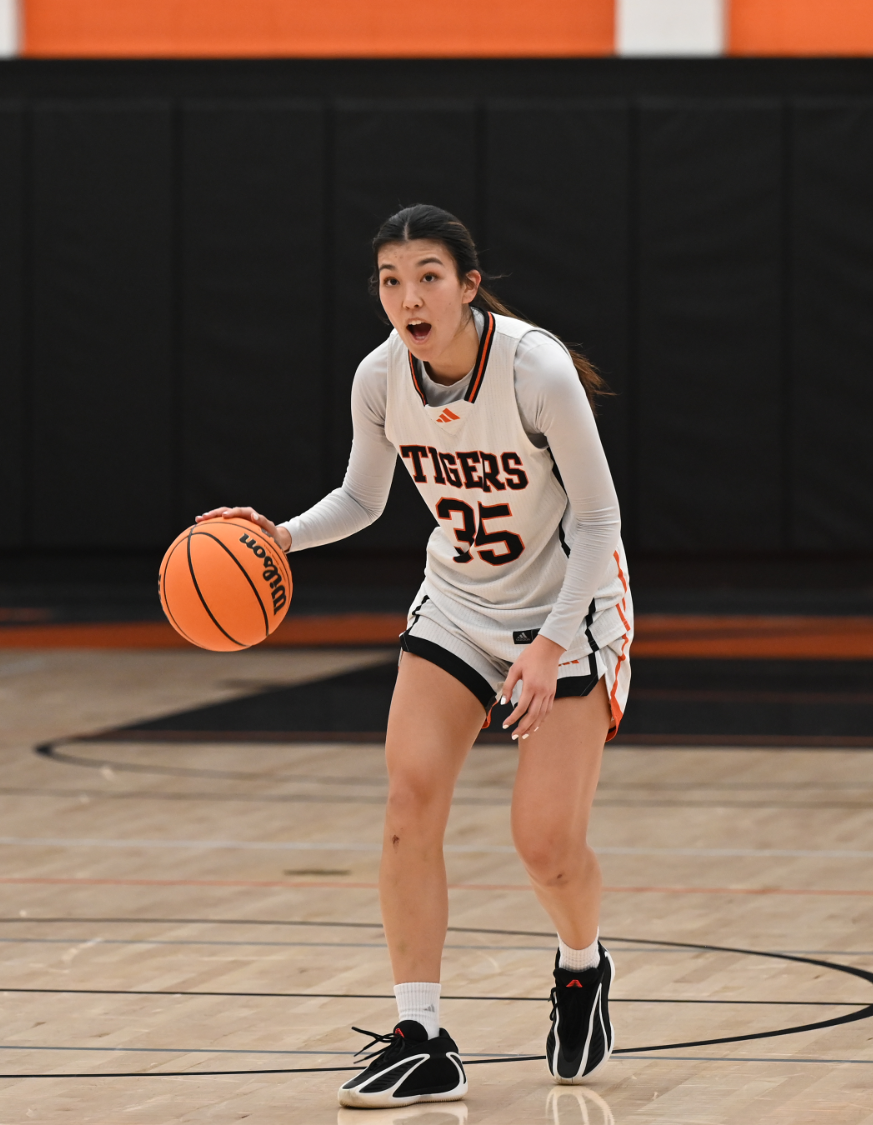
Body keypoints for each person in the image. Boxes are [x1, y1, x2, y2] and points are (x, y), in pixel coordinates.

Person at [200, 204, 632, 1108]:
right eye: (391, 281)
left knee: (546, 846)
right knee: (408, 800)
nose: (408, 298)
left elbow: (599, 520)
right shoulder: (379, 377)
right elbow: (362, 498)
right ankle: (422, 1036)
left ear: (469, 286)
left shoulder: (535, 368)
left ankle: (582, 964)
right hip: (459, 606)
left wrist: (552, 645)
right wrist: (277, 536)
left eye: (428, 277)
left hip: (570, 607)